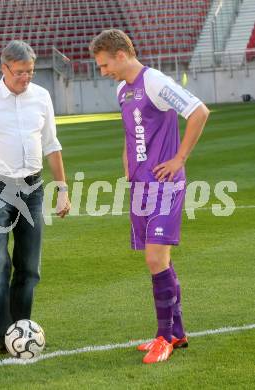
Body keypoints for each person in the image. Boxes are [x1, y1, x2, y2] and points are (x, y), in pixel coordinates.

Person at [89, 29, 209, 364]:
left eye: (104, 64)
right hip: (141, 187)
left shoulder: (154, 81)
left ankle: (163, 338)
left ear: (121, 55)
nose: (103, 72)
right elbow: (131, 131)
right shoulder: (122, 90)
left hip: (165, 186)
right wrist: (128, 164)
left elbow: (199, 112)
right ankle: (178, 333)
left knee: (156, 259)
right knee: (160, 261)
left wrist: (179, 159)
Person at [0, 41, 71, 356]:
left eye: (30, 72)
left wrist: (62, 190)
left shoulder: (42, 97)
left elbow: (52, 144)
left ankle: (19, 332)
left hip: (33, 189)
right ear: (3, 69)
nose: (26, 78)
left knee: (29, 267)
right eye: (20, 72)